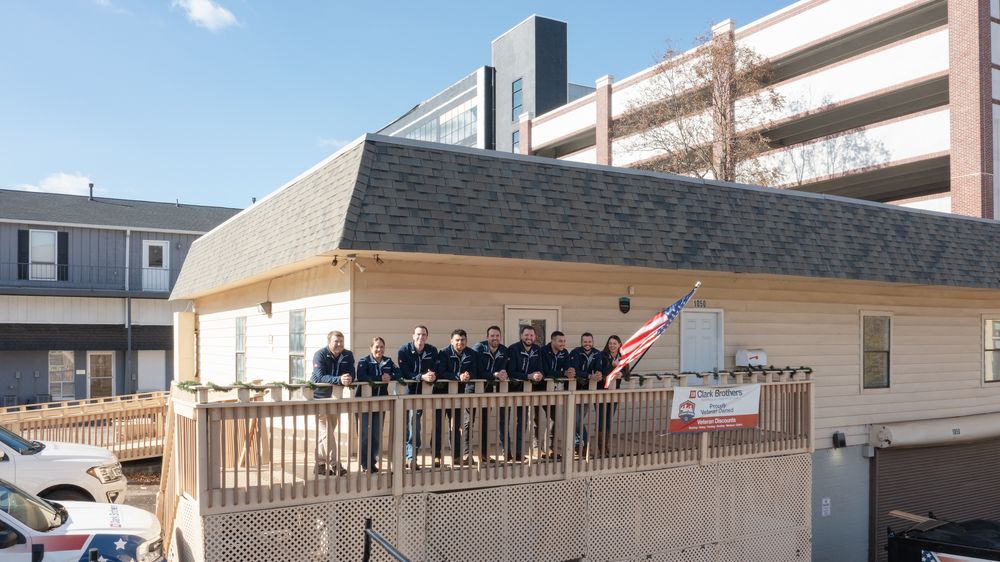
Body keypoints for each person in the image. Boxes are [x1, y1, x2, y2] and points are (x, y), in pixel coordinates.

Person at [310, 330, 355, 476]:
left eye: (341, 341)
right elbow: (318, 377)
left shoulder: (348, 355)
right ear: (329, 341)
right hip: (319, 398)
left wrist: (349, 378)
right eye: (336, 341)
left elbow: (351, 372)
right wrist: (339, 380)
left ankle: (320, 465)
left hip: (336, 398)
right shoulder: (320, 354)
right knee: (326, 432)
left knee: (326, 434)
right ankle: (336, 465)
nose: (339, 344)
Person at [355, 337, 399, 473]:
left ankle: (372, 462)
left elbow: (399, 372)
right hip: (364, 402)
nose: (379, 349)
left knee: (375, 434)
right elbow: (362, 376)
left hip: (381, 403)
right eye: (377, 347)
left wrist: (390, 377)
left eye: (381, 347)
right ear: (371, 348)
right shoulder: (364, 361)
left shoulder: (388, 361)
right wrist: (379, 378)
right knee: (364, 435)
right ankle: (364, 464)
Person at [437, 329, 481, 465]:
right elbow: (441, 372)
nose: (460, 342)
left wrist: (469, 376)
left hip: (464, 393)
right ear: (451, 341)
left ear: (466, 341)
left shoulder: (472, 354)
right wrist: (458, 376)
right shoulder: (444, 353)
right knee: (438, 425)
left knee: (458, 425)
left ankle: (458, 455)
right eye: (457, 340)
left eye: (462, 340)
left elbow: (476, 371)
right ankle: (436, 455)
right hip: (443, 393)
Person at [398, 325, 438, 470]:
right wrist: (421, 376)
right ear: (413, 336)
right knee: (408, 425)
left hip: (422, 393)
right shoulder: (404, 350)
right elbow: (404, 372)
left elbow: (435, 368)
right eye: (418, 334)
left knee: (414, 425)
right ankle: (408, 457)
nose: (421, 337)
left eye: (424, 335)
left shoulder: (432, 350)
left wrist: (433, 375)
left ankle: (412, 457)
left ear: (427, 337)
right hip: (406, 393)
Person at [506, 325, 543, 461]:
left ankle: (519, 452)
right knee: (505, 422)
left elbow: (541, 368)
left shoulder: (537, 350)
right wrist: (528, 376)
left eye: (531, 335)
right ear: (522, 336)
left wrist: (539, 375)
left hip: (526, 391)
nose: (529, 338)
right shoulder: (513, 349)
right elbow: (511, 371)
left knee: (522, 422)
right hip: (511, 390)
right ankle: (507, 452)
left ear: (535, 337)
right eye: (526, 335)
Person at [537, 331, 575, 459]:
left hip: (553, 390)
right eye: (560, 341)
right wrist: (563, 373)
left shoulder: (565, 353)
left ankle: (551, 448)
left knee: (552, 419)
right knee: (535, 419)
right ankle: (537, 449)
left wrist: (570, 371)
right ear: (552, 341)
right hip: (537, 389)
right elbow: (545, 371)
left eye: (564, 341)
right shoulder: (543, 351)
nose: (563, 344)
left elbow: (568, 367)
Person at [473, 326, 508, 462]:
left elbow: (504, 367)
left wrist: (503, 373)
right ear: (487, 337)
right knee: (468, 422)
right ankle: (465, 454)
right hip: (474, 389)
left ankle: (484, 454)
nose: (495, 338)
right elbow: (476, 370)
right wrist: (493, 375)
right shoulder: (479, 348)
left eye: (497, 336)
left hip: (489, 389)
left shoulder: (504, 350)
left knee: (485, 421)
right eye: (492, 336)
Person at [570, 332, 605, 456]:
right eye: (585, 342)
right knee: (576, 420)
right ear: (581, 342)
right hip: (575, 390)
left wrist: (598, 374)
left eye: (589, 342)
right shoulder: (575, 353)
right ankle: (584, 444)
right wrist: (590, 375)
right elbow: (575, 370)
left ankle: (579, 446)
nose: (587, 344)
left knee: (577, 421)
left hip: (588, 391)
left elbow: (599, 368)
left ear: (592, 342)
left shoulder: (597, 354)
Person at [598, 335, 629, 457]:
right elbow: (601, 371)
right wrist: (612, 365)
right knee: (602, 420)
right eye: (610, 343)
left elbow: (627, 375)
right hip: (602, 392)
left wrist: (621, 372)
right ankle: (602, 448)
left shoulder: (623, 357)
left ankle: (606, 447)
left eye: (614, 343)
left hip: (614, 393)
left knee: (609, 420)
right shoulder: (602, 355)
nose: (612, 345)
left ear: (619, 345)